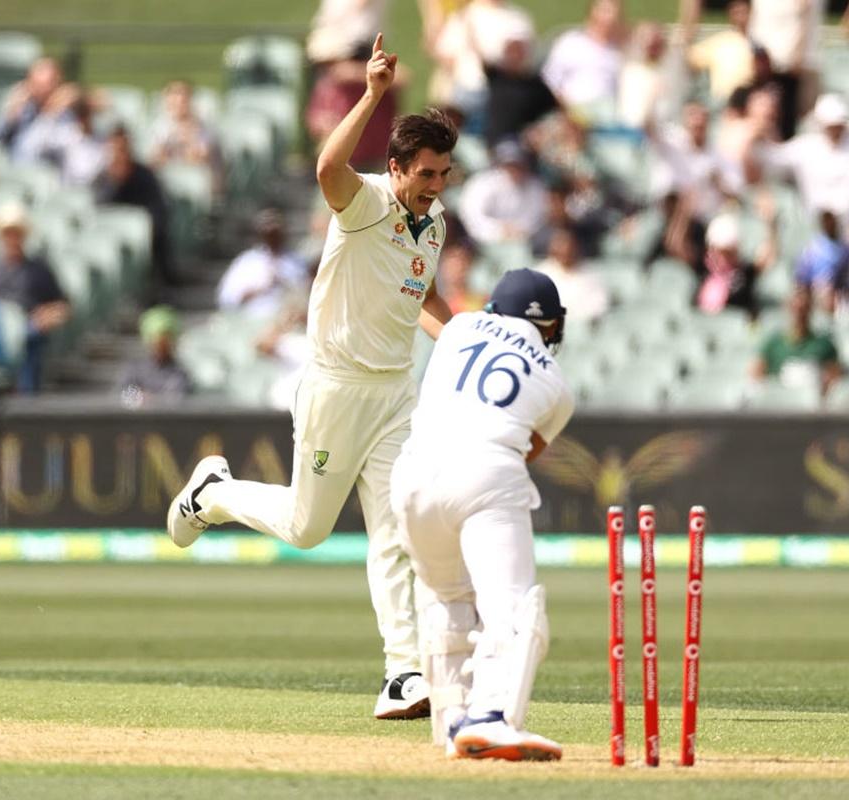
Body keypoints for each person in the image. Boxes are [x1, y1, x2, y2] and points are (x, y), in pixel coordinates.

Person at [165, 33, 456, 721]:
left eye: (445, 174)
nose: (436, 187)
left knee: (396, 533)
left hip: (394, 393)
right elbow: (329, 166)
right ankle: (214, 493)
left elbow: (426, 301)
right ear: (397, 168)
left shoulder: (433, 221)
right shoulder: (368, 203)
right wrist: (374, 93)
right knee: (306, 527)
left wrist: (470, 339)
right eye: (427, 175)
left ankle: (401, 675)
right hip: (334, 385)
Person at [390, 267, 573, 762]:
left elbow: (427, 304)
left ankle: (452, 721)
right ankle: (491, 717)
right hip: (487, 471)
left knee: (446, 597)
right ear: (551, 325)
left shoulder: (459, 328)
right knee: (513, 606)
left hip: (410, 476)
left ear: (496, 308)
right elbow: (525, 450)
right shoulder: (556, 382)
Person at [0, 202, 70, 393]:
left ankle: (26, 399)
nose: (12, 238)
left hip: (28, 330)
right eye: (7, 233)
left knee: (30, 337)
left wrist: (47, 317)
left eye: (16, 233)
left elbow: (63, 307)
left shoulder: (39, 269)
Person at [760, 94, 849, 216]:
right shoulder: (805, 147)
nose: (834, 130)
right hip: (818, 226)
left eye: (838, 125)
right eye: (830, 125)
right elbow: (773, 158)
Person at [96, 126, 176, 288]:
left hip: (143, 234)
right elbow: (99, 208)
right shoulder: (103, 177)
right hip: (111, 235)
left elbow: (158, 207)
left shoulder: (144, 175)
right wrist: (116, 183)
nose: (119, 154)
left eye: (122, 149)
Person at [216, 209, 310, 317]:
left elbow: (306, 294)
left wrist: (285, 284)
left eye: (276, 232)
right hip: (253, 322)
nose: (272, 235)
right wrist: (260, 289)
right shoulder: (247, 262)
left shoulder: (296, 261)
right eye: (267, 230)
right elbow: (227, 298)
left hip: (288, 321)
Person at [541, 0, 626, 118]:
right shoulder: (570, 43)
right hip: (572, 115)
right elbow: (550, 82)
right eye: (606, 12)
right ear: (592, 13)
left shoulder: (618, 52)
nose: (611, 18)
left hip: (607, 117)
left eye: (616, 13)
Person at [752, 285, 841, 394]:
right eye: (795, 308)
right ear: (788, 309)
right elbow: (756, 373)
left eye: (804, 309)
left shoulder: (824, 344)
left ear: (810, 310)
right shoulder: (773, 343)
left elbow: (835, 376)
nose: (799, 314)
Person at [459, 139, 547, 247]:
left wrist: (517, 229)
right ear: (500, 165)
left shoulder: (535, 186)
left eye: (518, 165)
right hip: (484, 242)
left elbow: (537, 218)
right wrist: (499, 229)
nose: (514, 169)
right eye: (510, 165)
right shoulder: (482, 183)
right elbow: (472, 217)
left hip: (523, 242)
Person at [682, 0, 756, 102]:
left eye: (744, 11)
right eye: (736, 12)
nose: (740, 16)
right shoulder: (719, 42)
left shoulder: (759, 41)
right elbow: (688, 58)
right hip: (723, 102)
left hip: (751, 102)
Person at [117, 305, 192, 404]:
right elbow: (124, 394)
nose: (160, 347)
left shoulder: (179, 373)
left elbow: (175, 398)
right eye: (156, 342)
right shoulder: (134, 369)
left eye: (165, 342)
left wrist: (148, 399)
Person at [535, 227, 609, 322]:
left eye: (569, 248)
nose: (566, 252)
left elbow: (600, 305)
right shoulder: (541, 274)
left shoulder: (590, 274)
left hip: (583, 327)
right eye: (561, 248)